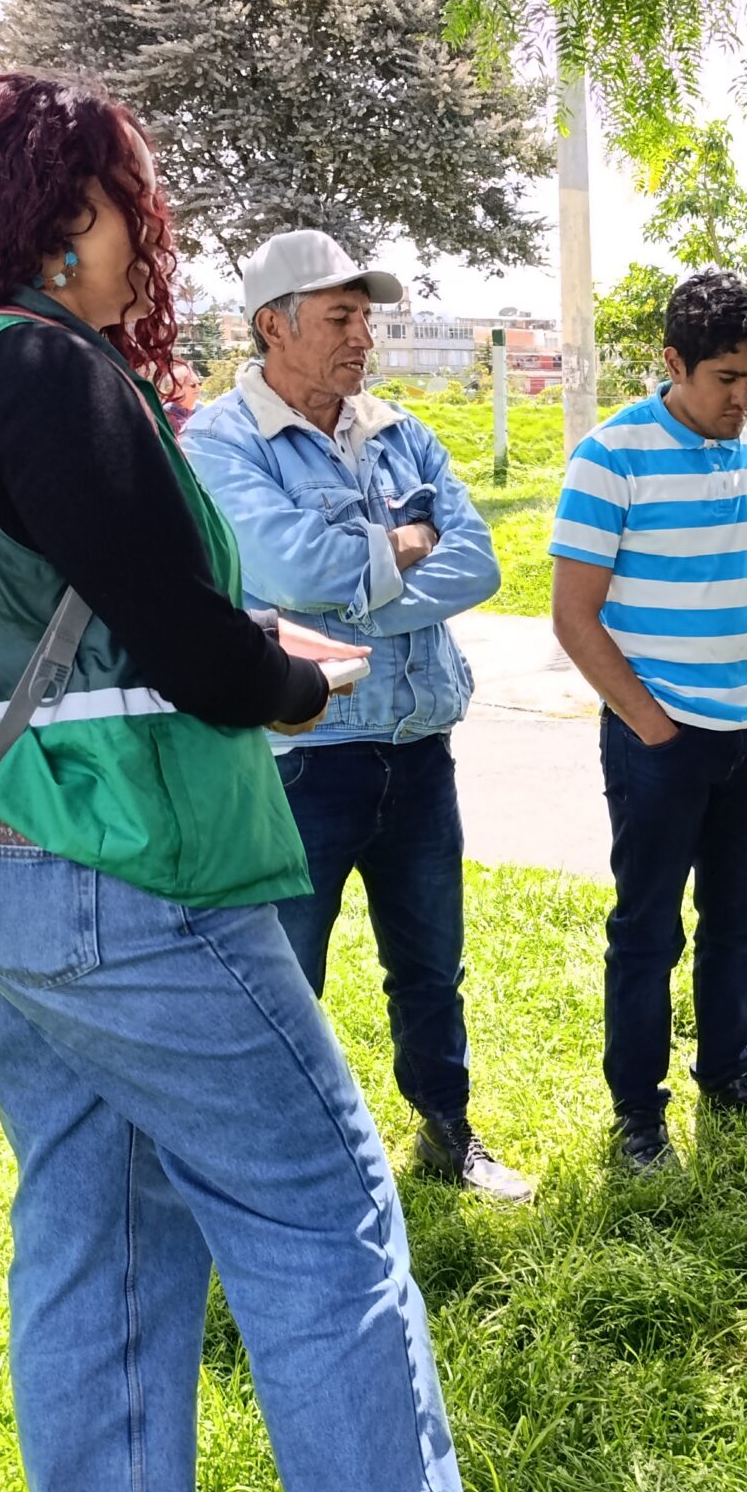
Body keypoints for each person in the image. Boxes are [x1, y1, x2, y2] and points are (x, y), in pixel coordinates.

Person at [0, 74, 590, 1492]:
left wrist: (243, 639)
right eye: (128, 213)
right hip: (138, 875)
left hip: (3, 868)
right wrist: (302, 676)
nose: (144, 251)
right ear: (67, 213)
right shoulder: (47, 370)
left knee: (97, 1218)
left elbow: (95, 621)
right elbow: (209, 666)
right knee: (326, 1212)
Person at [182, 229, 529, 1202]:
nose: (361, 337)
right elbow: (288, 569)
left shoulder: (397, 428)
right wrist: (401, 543)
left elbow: (480, 561)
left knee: (431, 961)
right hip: (303, 751)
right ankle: (279, 1168)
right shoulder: (220, 441)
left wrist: (357, 578)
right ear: (272, 325)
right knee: (286, 972)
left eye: (365, 317)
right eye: (340, 316)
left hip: (417, 743)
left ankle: (447, 1132)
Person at [547, 270, 747, 1173]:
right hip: (658, 741)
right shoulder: (610, 457)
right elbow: (572, 617)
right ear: (674, 363)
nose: (743, 398)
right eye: (725, 379)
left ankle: (729, 1074)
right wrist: (652, 726)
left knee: (740, 922)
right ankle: (637, 1115)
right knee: (648, 931)